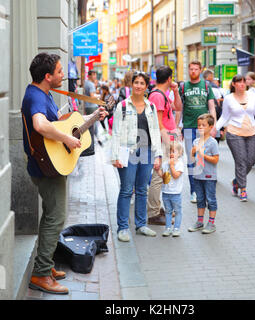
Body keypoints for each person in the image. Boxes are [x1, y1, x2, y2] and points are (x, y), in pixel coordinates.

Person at [21, 53, 107, 294]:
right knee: (56, 218)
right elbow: (40, 125)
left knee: (51, 215)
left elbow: (58, 123)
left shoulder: (44, 94)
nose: (63, 75)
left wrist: (92, 118)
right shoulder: (35, 96)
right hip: (45, 167)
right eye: (59, 72)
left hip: (50, 163)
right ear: (47, 77)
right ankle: (40, 275)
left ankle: (45, 266)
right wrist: (67, 138)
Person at [111, 71, 163, 242]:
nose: (139, 86)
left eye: (142, 83)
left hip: (147, 151)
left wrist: (159, 155)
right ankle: (123, 228)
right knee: (126, 190)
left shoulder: (151, 107)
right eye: (136, 82)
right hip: (128, 151)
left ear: (146, 87)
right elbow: (116, 132)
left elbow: (155, 131)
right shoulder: (123, 106)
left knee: (142, 190)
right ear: (131, 85)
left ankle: (141, 225)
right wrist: (115, 156)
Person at [216, 74, 255, 202]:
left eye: (243, 82)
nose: (242, 84)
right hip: (234, 133)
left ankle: (236, 181)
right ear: (233, 84)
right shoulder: (228, 99)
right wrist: (215, 129)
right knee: (241, 161)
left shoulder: (253, 96)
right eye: (239, 82)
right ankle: (243, 190)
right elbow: (224, 117)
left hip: (252, 133)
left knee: (250, 161)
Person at [146, 66, 182, 226]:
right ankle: (153, 213)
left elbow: (178, 108)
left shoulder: (163, 94)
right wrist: (167, 142)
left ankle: (156, 208)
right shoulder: (157, 96)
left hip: (167, 138)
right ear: (169, 78)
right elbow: (158, 122)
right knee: (157, 176)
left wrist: (175, 91)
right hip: (162, 141)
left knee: (161, 175)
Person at [179, 61, 216, 203]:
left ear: (200, 70)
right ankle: (193, 191)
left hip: (204, 128)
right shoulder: (183, 87)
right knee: (191, 159)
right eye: (191, 69)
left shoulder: (206, 86)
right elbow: (179, 108)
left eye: (196, 69)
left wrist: (214, 125)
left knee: (202, 158)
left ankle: (202, 190)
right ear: (188, 70)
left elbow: (211, 107)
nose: (193, 71)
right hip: (188, 127)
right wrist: (178, 126)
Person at [188, 114, 219, 234]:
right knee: (200, 199)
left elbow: (216, 159)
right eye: (199, 125)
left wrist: (203, 154)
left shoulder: (213, 143)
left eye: (203, 125)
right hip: (197, 175)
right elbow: (192, 159)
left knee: (211, 199)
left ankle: (211, 223)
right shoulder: (196, 141)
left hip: (209, 176)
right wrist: (193, 152)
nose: (200, 127)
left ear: (210, 127)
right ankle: (199, 222)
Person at [158, 141, 184, 237]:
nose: (171, 154)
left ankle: (176, 228)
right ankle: (168, 228)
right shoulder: (165, 164)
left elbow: (176, 175)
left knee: (177, 211)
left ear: (180, 153)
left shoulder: (179, 164)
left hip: (176, 193)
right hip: (166, 192)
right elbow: (164, 177)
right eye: (170, 152)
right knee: (168, 211)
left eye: (174, 151)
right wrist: (158, 170)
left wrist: (172, 166)